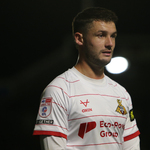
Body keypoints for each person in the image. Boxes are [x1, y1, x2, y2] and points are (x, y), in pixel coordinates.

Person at [33, 7, 140, 150]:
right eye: (101, 35)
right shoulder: (59, 90)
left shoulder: (122, 94)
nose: (109, 43)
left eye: (113, 36)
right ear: (79, 38)